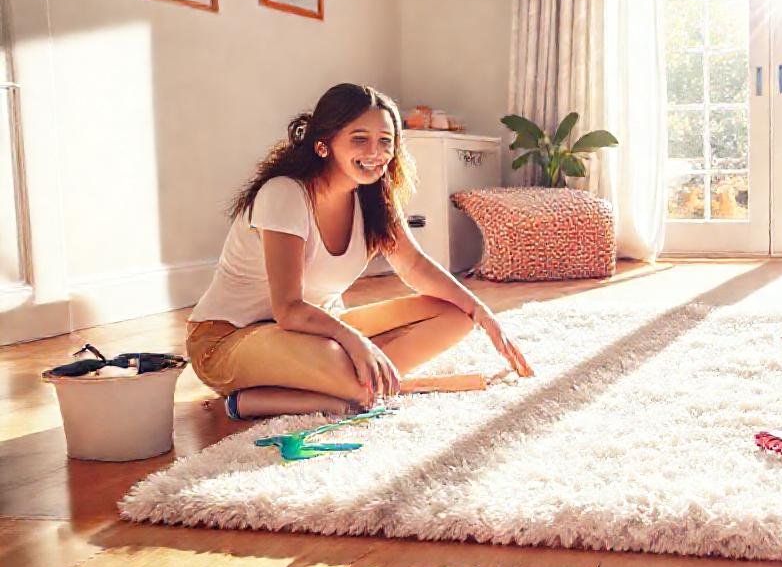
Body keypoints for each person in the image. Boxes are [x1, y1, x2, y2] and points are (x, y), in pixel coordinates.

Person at [186, 83, 531, 419]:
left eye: (385, 142)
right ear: (325, 144)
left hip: (311, 332)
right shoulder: (285, 194)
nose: (375, 153)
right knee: (345, 362)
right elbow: (289, 309)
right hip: (228, 339)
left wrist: (481, 312)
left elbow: (413, 265)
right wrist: (355, 342)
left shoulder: (375, 199)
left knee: (456, 316)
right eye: (359, 140)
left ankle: (352, 388)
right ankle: (294, 399)